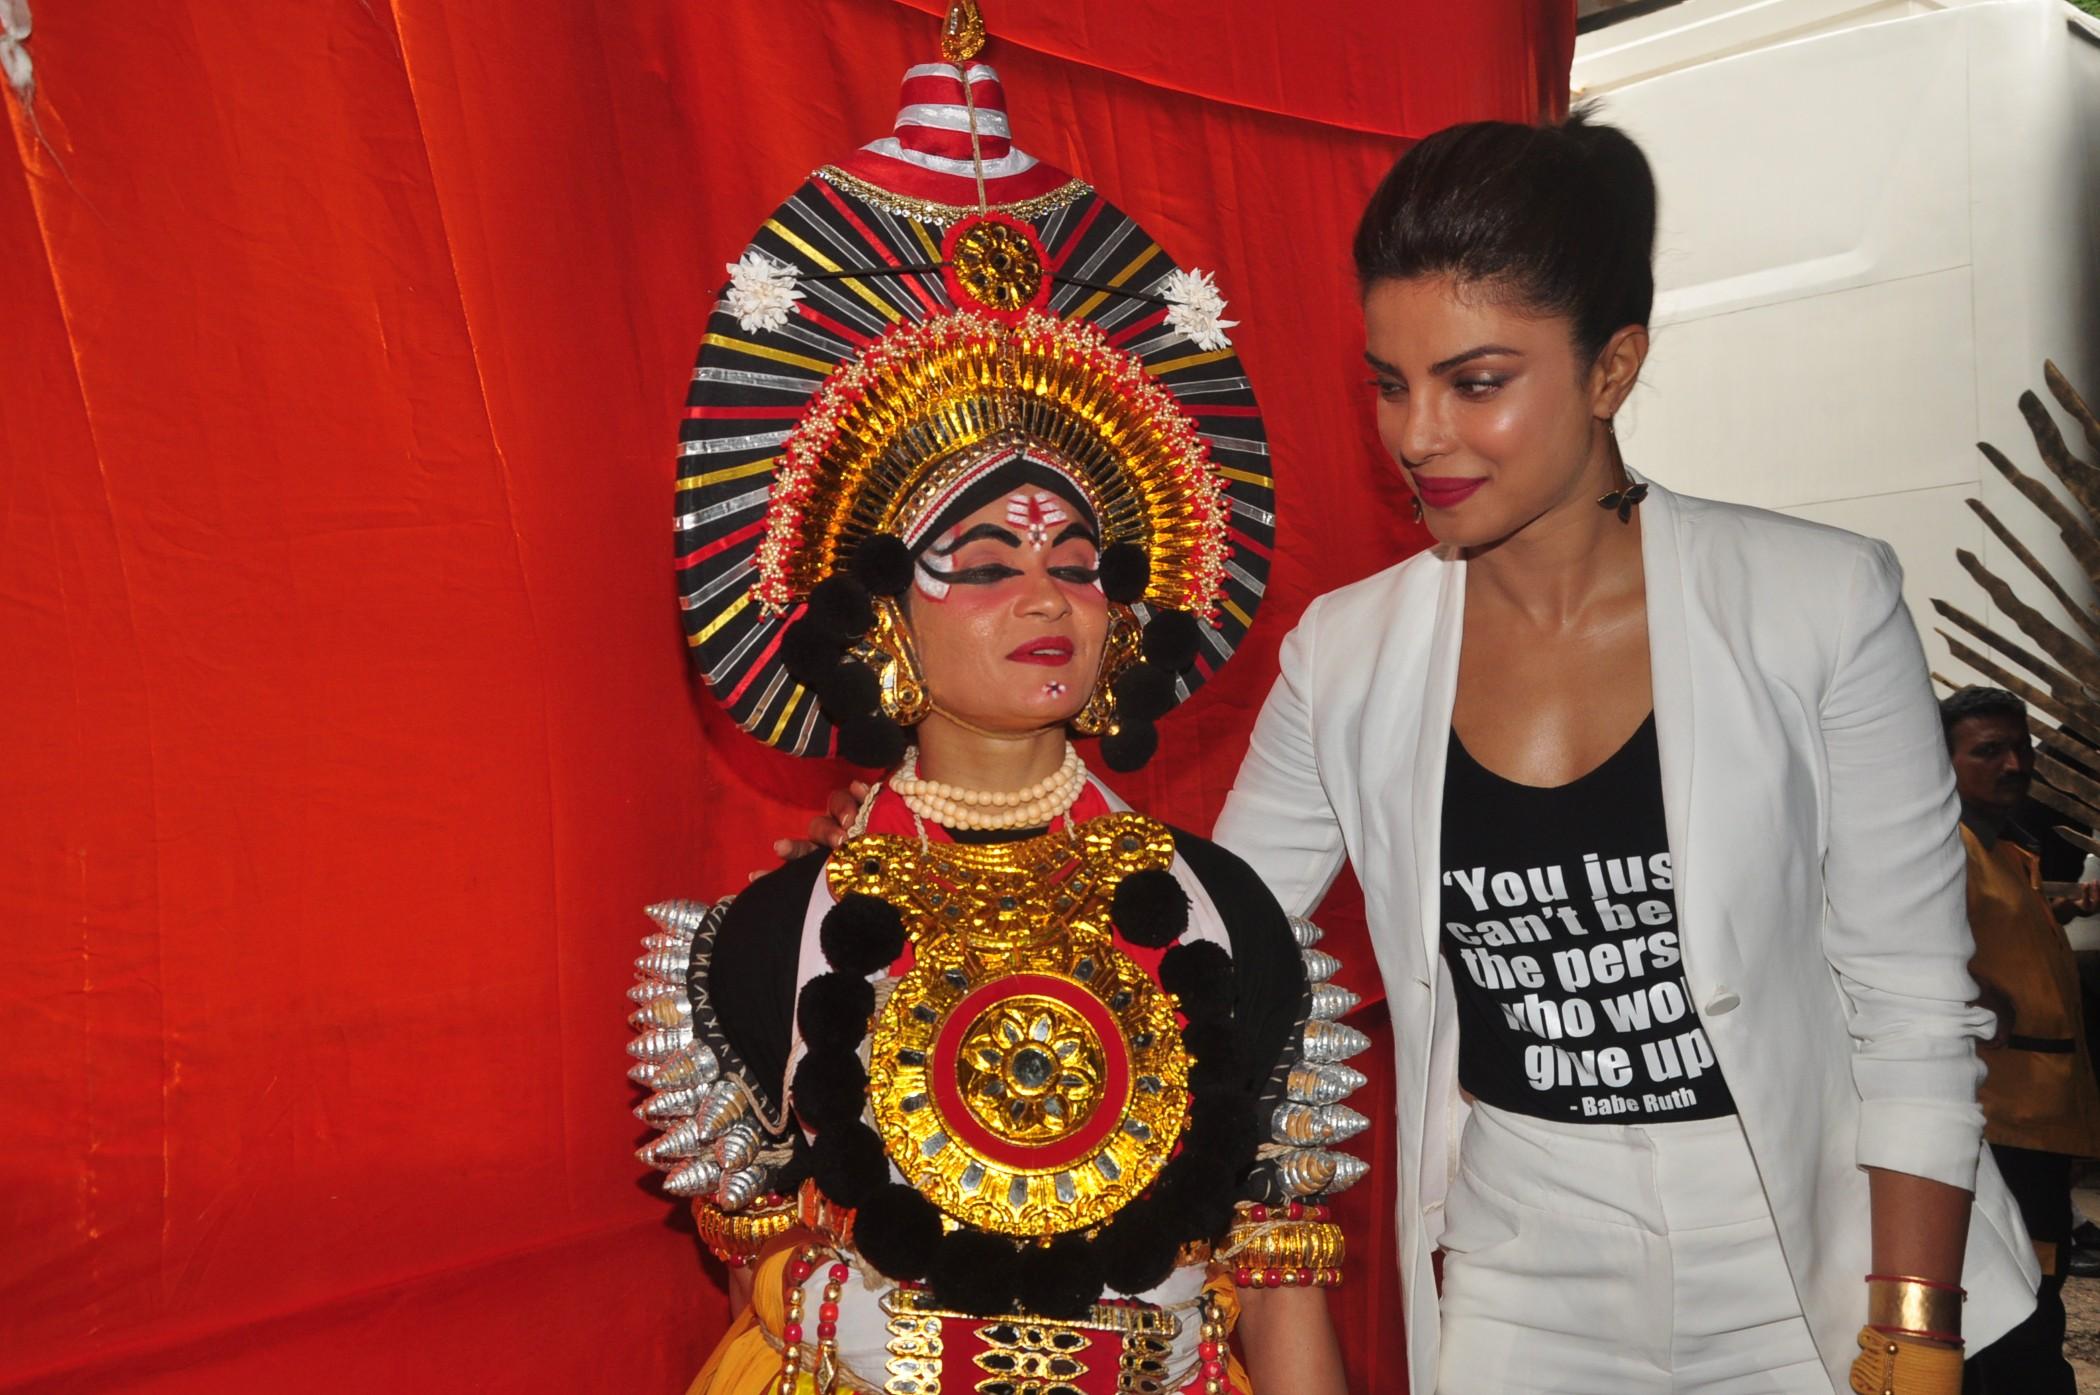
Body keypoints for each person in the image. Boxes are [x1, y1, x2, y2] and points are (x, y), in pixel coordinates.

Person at [781, 111, 2044, 1394]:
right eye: (1391, 383)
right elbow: (1204, 936)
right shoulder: (1350, 654)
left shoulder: (1818, 601)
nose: (1419, 434)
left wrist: (1913, 1327)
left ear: (1612, 369)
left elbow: (1911, 1002)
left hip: (1824, 1259)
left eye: (1476, 383)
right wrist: (937, 853)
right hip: (1527, 1281)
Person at [626, 12, 1359, 1394]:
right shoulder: (768, 942)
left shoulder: (1228, 916)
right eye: (985, 564)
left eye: (1078, 565)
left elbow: (1286, 1299)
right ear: (880, 614)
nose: (1048, 598)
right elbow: (761, 1306)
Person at [1940, 685, 2100, 1394]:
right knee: (2017, 1312)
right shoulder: (1942, 850)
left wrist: (2063, 907)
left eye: (2021, 747)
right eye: (1989, 750)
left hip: (2041, 1122)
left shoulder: (2002, 850)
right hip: (1998, 1127)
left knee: (2036, 1294)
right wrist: (1972, 990)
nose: (2015, 763)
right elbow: (1901, 948)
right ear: (1940, 760)